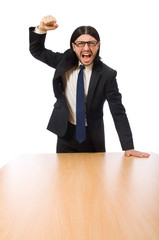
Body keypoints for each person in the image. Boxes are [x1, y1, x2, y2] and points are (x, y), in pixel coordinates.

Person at [29, 15, 150, 157]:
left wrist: (128, 147)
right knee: (65, 177)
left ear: (98, 45)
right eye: (81, 43)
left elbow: (118, 112)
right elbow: (37, 51)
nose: (86, 48)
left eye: (91, 43)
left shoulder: (107, 75)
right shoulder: (63, 61)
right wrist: (41, 29)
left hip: (93, 138)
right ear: (74, 46)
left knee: (95, 178)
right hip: (65, 134)